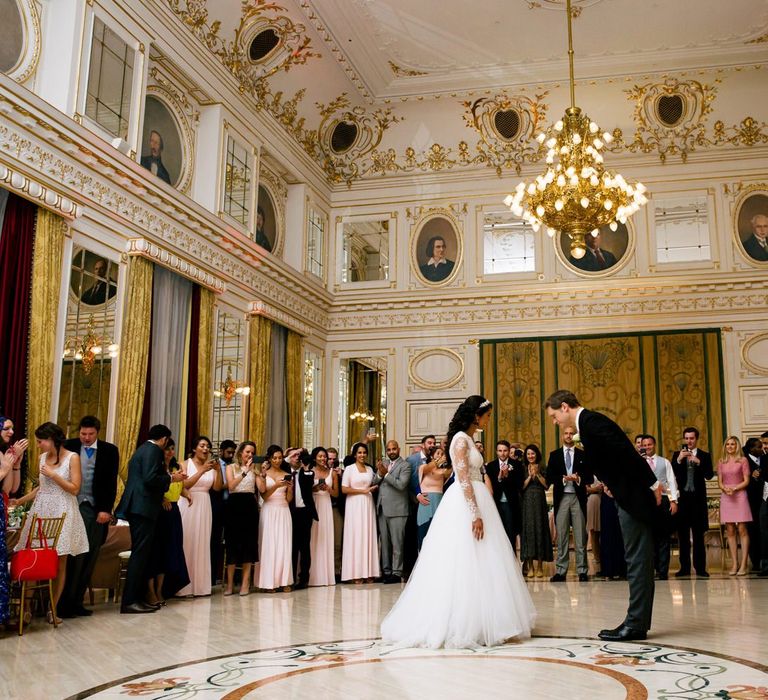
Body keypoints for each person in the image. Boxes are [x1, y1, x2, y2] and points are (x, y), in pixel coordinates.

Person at [381, 395, 536, 648]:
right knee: (464, 557)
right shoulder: (460, 440)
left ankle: (491, 617)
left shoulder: (470, 440)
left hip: (478, 497)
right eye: (486, 415)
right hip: (466, 502)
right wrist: (474, 513)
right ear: (476, 415)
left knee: (487, 559)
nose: (488, 419)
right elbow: (463, 478)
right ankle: (464, 621)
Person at [545, 390, 660, 642]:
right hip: (624, 493)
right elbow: (612, 460)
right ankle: (636, 621)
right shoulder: (586, 426)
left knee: (637, 560)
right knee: (635, 558)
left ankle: (636, 624)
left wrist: (653, 484)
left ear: (564, 407)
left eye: (554, 416)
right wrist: (609, 482)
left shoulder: (591, 423)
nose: (555, 422)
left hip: (634, 497)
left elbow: (627, 453)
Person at [13, 422, 89, 624]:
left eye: (41, 441)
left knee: (60, 560)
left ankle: (52, 609)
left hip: (63, 510)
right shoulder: (41, 458)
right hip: (41, 510)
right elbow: (41, 488)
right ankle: (26, 608)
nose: (39, 445)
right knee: (32, 555)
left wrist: (54, 475)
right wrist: (20, 501)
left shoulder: (72, 458)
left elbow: (74, 489)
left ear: (52, 440)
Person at [117, 424, 184, 613]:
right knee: (140, 555)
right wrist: (172, 478)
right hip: (143, 508)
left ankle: (135, 598)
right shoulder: (154, 450)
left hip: (138, 507)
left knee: (142, 554)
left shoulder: (142, 449)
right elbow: (150, 478)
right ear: (163, 439)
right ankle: (130, 600)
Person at [58, 415, 119, 618]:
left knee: (90, 556)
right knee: (74, 557)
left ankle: (77, 602)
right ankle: (63, 603)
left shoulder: (110, 451)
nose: (85, 437)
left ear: (97, 432)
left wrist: (105, 509)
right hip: (72, 506)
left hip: (95, 510)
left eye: (90, 434)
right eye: (83, 433)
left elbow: (111, 484)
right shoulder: (68, 446)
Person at [177, 436, 222, 596]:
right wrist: (202, 471)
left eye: (208, 446)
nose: (205, 449)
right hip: (188, 502)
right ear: (194, 448)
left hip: (204, 503)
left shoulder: (211, 467)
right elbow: (184, 485)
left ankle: (201, 586)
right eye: (202, 445)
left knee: (202, 542)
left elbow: (217, 488)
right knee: (187, 541)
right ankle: (183, 587)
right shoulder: (184, 464)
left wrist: (218, 470)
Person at [147, 438, 189, 604]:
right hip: (158, 512)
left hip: (173, 512)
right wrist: (161, 498)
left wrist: (187, 494)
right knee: (155, 551)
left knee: (169, 551)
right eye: (167, 449)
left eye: (172, 448)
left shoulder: (175, 469)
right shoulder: (155, 468)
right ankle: (150, 591)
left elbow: (180, 488)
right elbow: (149, 487)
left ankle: (160, 590)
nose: (170, 452)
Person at [548, 426, 591, 582]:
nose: (568, 435)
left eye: (571, 433)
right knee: (562, 536)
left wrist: (578, 479)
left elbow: (590, 478)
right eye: (566, 433)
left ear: (575, 437)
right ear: (562, 436)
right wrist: (563, 479)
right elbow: (550, 476)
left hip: (578, 497)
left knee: (580, 535)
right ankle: (560, 570)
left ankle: (582, 570)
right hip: (562, 498)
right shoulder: (554, 455)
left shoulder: (583, 455)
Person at [671, 427, 713, 577]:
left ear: (697, 439)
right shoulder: (677, 455)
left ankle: (700, 568)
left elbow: (708, 475)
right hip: (682, 501)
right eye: (686, 438)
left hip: (697, 501)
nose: (689, 441)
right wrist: (678, 460)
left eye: (692, 438)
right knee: (682, 536)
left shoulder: (705, 456)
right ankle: (684, 568)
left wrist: (699, 462)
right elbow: (672, 474)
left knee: (698, 536)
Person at [373, 440, 411, 584]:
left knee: (397, 543)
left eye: (394, 449)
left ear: (399, 449)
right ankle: (386, 571)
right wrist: (380, 474)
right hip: (382, 508)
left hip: (398, 510)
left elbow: (401, 485)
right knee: (385, 544)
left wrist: (386, 474)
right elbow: (374, 481)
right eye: (389, 450)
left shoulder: (405, 465)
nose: (391, 452)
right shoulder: (383, 463)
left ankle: (396, 572)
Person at [223, 441, 259, 596]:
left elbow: (261, 489)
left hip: (250, 505)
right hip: (234, 505)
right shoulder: (231, 467)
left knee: (248, 543)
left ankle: (245, 583)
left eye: (252, 453)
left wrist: (262, 473)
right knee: (232, 543)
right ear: (240, 453)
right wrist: (244, 471)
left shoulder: (255, 469)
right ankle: (229, 584)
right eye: (247, 452)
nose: (250, 455)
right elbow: (231, 486)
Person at [256, 445, 293, 591]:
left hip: (283, 510)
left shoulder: (286, 473)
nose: (278, 460)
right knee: (269, 544)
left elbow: (289, 499)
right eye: (275, 458)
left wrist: (289, 488)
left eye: (280, 457)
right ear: (269, 459)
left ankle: (284, 581)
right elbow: (264, 495)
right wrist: (277, 485)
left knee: (284, 545)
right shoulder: (263, 474)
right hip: (269, 509)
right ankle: (268, 582)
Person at [641, 435, 679, 580]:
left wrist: (673, 501)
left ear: (654, 445)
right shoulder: (639, 462)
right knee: (648, 537)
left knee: (663, 537)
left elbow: (671, 482)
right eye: (645, 445)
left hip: (662, 501)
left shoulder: (665, 462)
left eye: (650, 444)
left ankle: (663, 571)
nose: (647, 447)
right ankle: (651, 569)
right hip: (645, 502)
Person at [341, 442, 380, 583]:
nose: (362, 455)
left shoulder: (370, 470)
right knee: (356, 536)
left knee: (367, 535)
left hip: (368, 504)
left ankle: (369, 572)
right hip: (354, 505)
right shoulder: (350, 469)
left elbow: (376, 482)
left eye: (364, 452)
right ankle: (355, 573)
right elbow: (344, 489)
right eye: (359, 453)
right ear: (354, 455)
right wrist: (363, 491)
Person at [284, 448, 318, 589]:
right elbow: (284, 460)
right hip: (289, 512)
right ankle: (289, 578)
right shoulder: (285, 470)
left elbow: (309, 480)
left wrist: (305, 467)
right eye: (294, 456)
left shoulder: (307, 472)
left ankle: (303, 578)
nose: (297, 458)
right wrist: (292, 453)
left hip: (305, 513)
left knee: (304, 547)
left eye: (299, 455)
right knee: (291, 546)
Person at [484, 440, 525, 556]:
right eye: (500, 451)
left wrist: (507, 477)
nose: (502, 453)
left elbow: (519, 485)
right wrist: (500, 478)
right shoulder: (491, 466)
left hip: (511, 504)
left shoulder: (516, 465)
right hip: (495, 504)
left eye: (505, 451)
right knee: (497, 533)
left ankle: (511, 558)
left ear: (509, 451)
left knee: (510, 533)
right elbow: (489, 485)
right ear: (496, 452)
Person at [718, 436, 752, 576]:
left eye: (733, 444)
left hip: (740, 494)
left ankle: (743, 564)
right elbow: (720, 481)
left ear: (737, 446)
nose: (730, 446)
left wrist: (735, 488)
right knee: (730, 530)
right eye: (728, 444)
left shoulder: (743, 460)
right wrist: (725, 489)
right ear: (725, 447)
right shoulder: (721, 461)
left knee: (742, 528)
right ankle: (734, 563)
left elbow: (747, 480)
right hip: (726, 495)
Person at [520, 444, 552, 578]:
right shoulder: (522, 468)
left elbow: (546, 485)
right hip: (526, 501)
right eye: (528, 454)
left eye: (532, 454)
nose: (530, 456)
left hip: (539, 501)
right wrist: (529, 476)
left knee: (540, 530)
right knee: (528, 531)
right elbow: (521, 487)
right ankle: (530, 566)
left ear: (536, 454)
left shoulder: (543, 466)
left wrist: (537, 474)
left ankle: (539, 565)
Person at [308, 447, 337, 586]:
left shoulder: (332, 473)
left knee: (325, 538)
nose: (323, 458)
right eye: (320, 456)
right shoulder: (309, 472)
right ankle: (312, 575)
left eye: (324, 456)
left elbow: (337, 494)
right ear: (314, 458)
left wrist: (328, 489)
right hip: (314, 505)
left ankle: (326, 576)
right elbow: (305, 491)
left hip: (326, 505)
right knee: (313, 538)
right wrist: (314, 489)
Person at [211, 439, 235, 588]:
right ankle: (213, 575)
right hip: (217, 505)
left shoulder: (233, 466)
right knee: (214, 540)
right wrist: (231, 484)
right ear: (221, 451)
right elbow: (217, 487)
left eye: (233, 452)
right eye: (228, 452)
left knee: (229, 541)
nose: (231, 455)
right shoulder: (215, 465)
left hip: (231, 506)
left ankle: (227, 577)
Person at [417, 446, 450, 549]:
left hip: (439, 504)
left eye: (442, 454)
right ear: (431, 455)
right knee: (424, 533)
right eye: (438, 453)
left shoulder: (444, 471)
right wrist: (438, 461)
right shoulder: (423, 467)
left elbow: (451, 471)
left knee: (438, 535)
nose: (440, 456)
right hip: (426, 504)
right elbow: (428, 469)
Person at [744, 437, 764, 572]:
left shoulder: (764, 459)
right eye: (758, 447)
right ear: (751, 449)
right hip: (751, 502)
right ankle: (755, 562)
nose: (761, 449)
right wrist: (751, 477)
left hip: (764, 500)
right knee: (753, 531)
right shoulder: (744, 461)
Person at [0, 415, 27, 497]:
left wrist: (15, 464)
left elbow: (10, 489)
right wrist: (4, 471)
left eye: (12, 428)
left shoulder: (2, 452)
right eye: (6, 428)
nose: (12, 432)